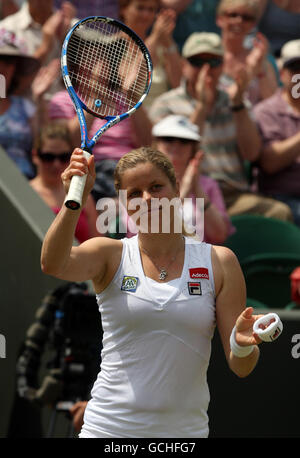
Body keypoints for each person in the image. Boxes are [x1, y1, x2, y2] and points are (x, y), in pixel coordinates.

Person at [41, 144, 272, 438]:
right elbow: (53, 263)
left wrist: (243, 345)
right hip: (108, 431)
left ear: (176, 189)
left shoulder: (220, 262)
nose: (147, 199)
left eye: (156, 187)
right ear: (124, 203)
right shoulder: (109, 254)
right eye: (135, 194)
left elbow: (242, 367)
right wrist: (75, 199)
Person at [149, 31, 293, 221]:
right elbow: (173, 155)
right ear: (184, 66)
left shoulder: (235, 101)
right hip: (188, 191)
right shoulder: (165, 104)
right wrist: (201, 106)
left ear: (223, 66)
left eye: (214, 62)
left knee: (279, 213)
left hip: (233, 195)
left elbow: (252, 153)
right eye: (197, 62)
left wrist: (238, 105)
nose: (206, 69)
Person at [152, 114, 234, 244]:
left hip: (200, 260)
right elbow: (152, 236)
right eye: (168, 139)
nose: (176, 145)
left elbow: (219, 235)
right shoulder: (145, 184)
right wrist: (184, 189)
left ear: (193, 148)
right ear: (156, 144)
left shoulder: (208, 185)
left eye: (184, 141)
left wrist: (197, 188)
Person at [253, 39, 300, 226]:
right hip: (283, 197)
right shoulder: (266, 111)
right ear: (282, 74)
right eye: (295, 68)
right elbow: (270, 163)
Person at [30, 122, 100, 241]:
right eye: (48, 157)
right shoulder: (25, 193)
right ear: (35, 155)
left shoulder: (85, 197)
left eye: (63, 157)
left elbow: (97, 244)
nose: (56, 164)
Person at [119, 0, 183, 109]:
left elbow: (179, 86)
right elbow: (129, 87)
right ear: (124, 10)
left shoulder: (161, 47)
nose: (146, 15)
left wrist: (167, 40)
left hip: (161, 117)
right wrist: (156, 36)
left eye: (151, 10)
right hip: (128, 118)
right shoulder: (110, 45)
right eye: (140, 8)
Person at [216, 0, 279, 106]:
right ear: (219, 19)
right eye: (233, 15)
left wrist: (259, 69)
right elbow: (220, 103)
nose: (239, 20)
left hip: (251, 120)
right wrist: (250, 72)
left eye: (247, 17)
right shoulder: (207, 53)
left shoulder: (259, 57)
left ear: (253, 24)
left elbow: (273, 102)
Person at [0, 29, 39, 178]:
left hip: (23, 187)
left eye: (9, 62)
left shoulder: (26, 107)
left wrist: (40, 100)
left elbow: (43, 149)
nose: (2, 68)